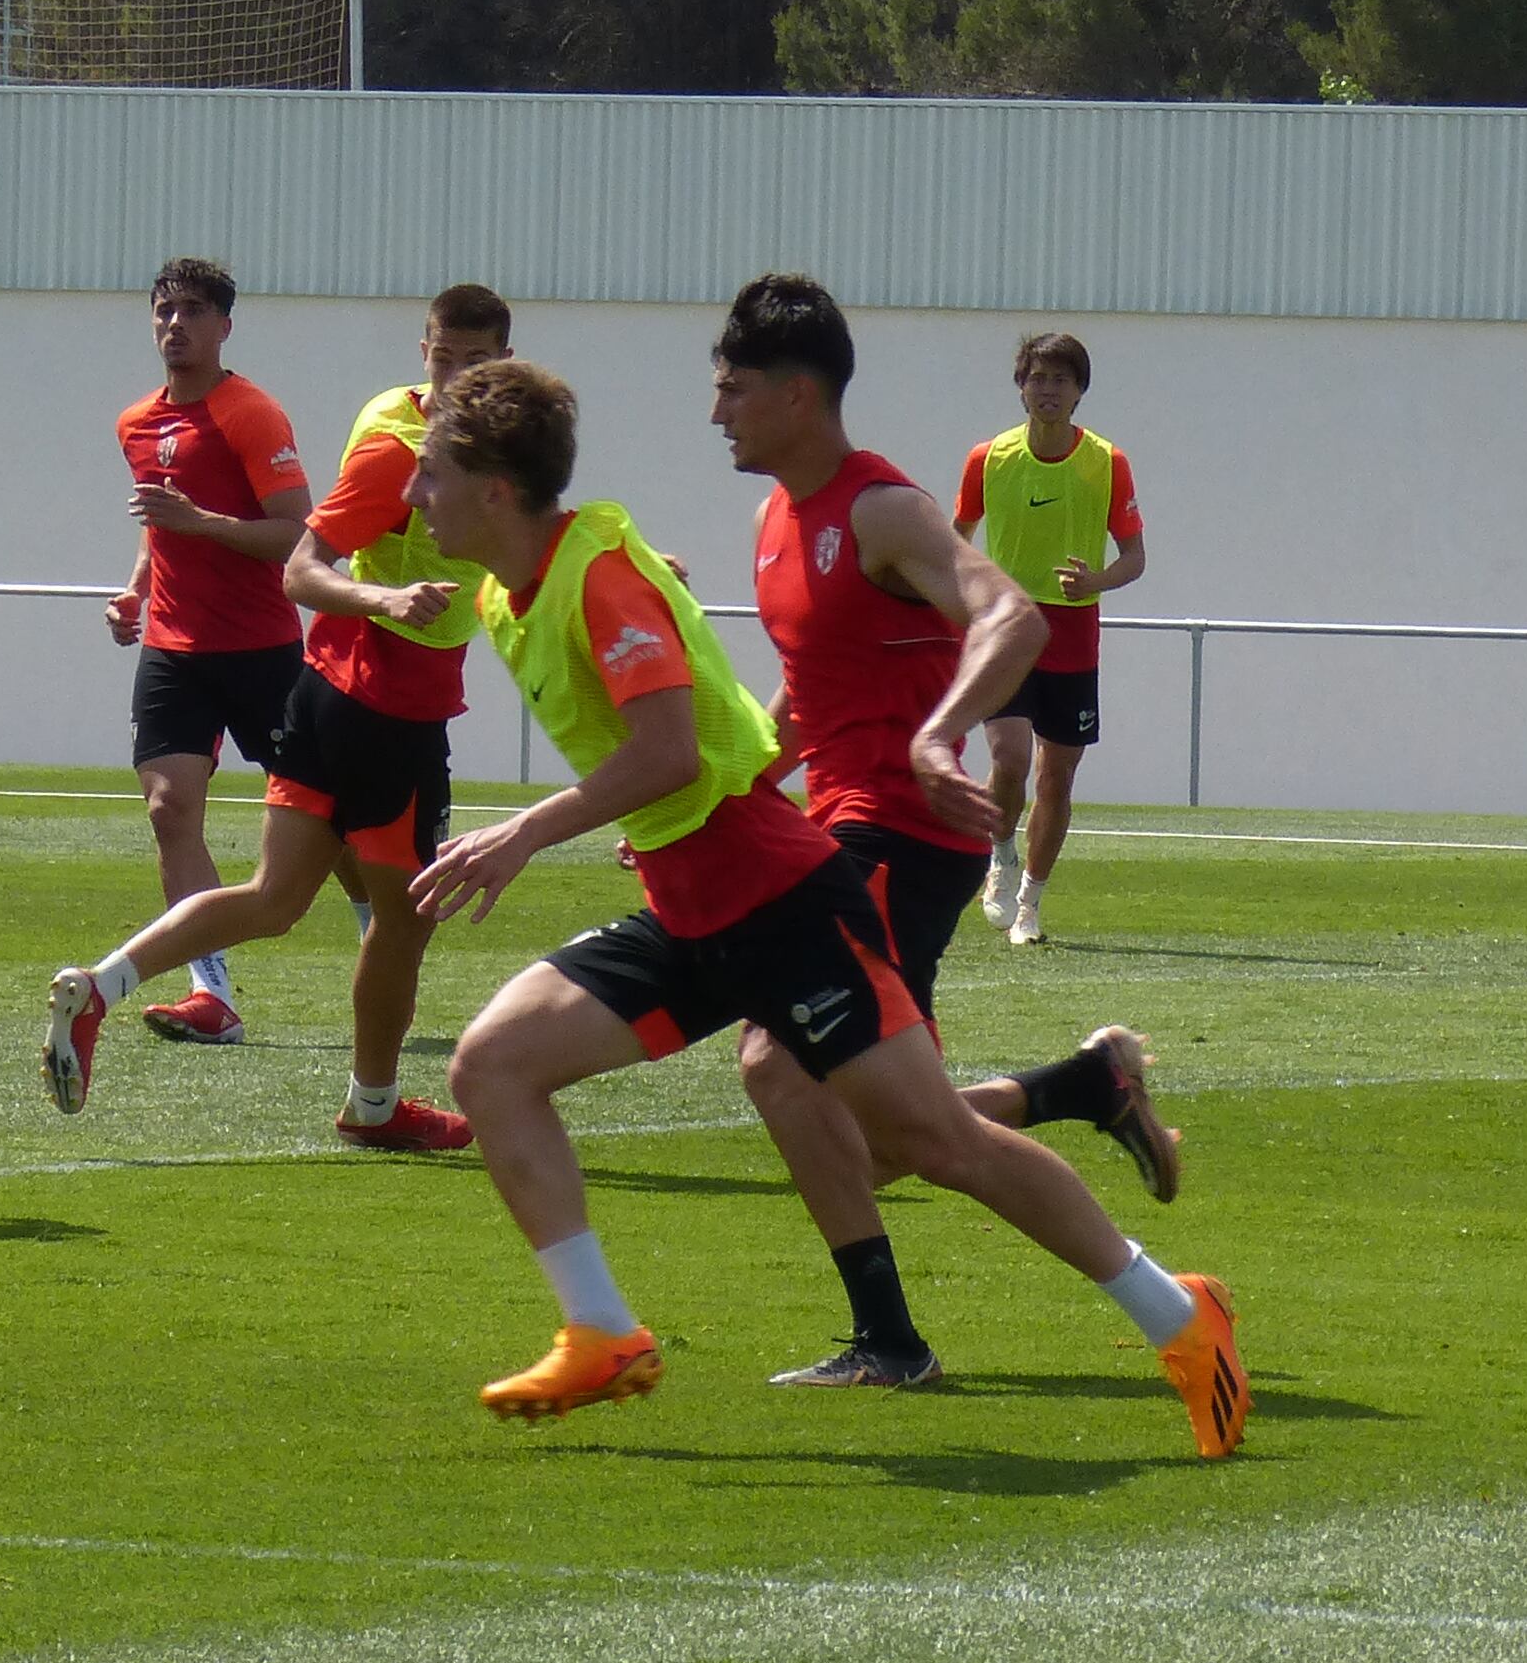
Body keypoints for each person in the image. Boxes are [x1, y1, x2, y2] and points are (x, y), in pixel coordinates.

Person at [401, 356, 1246, 1456]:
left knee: (935, 1138)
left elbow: (665, 750)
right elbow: (705, 737)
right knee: (493, 1065)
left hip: (782, 898)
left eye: (431, 476)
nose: (415, 497)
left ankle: (1180, 1318)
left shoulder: (603, 578)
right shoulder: (513, 588)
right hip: (692, 905)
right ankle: (604, 1333)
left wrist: (524, 830)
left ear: (497, 491)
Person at [714, 274, 1190, 1390]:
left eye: (732, 389)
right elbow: (805, 700)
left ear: (796, 394)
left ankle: (898, 1341)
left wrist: (940, 737)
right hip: (839, 828)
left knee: (779, 1070)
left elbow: (1010, 617)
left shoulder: (883, 509)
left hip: (900, 834)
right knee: (882, 1143)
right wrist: (733, 791)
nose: (715, 411)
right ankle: (1081, 1086)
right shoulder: (773, 521)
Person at [44, 286, 505, 1150]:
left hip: (326, 692)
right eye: (445, 361)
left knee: (275, 898)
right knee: (402, 918)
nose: (456, 380)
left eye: (475, 365)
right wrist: (387, 598)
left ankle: (102, 986)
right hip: (382, 709)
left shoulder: (495, 452)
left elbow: (529, 545)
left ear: (502, 366)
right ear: (424, 353)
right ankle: (373, 1104)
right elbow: (302, 565)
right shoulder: (398, 446)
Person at [108, 255, 310, 1049]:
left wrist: (203, 524)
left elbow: (296, 533)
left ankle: (382, 937)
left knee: (332, 825)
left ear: (224, 326)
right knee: (169, 810)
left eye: (193, 310)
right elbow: (160, 527)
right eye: (164, 309)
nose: (175, 324)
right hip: (176, 651)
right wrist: (136, 591)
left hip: (262, 652)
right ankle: (210, 992)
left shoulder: (250, 413)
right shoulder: (135, 422)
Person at [954, 331, 1145, 949]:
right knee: (1007, 760)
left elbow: (1135, 556)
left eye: (1062, 380)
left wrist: (1097, 579)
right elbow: (955, 538)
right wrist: (970, 598)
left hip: (1072, 633)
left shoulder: (1107, 462)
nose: (1049, 390)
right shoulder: (989, 458)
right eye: (1038, 378)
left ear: (1080, 391)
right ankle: (1000, 855)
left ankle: (1031, 901)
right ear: (1021, 386)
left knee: (1055, 777)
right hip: (1006, 629)